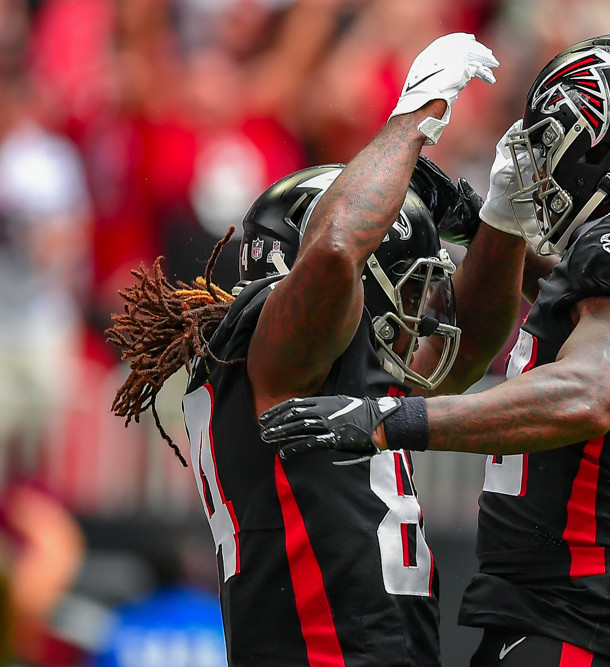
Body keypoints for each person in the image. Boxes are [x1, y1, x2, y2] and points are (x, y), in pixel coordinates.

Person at [260, 34, 610, 667]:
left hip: (590, 618)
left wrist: (390, 421)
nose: (541, 160)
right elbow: (568, 304)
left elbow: (588, 393)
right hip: (598, 611)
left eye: (550, 138)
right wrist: (491, 220)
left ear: (601, 137)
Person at [107, 32, 537, 667]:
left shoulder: (320, 362)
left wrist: (496, 219)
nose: (422, 311)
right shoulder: (272, 341)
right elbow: (335, 250)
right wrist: (413, 118)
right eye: (409, 285)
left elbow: (467, 348)